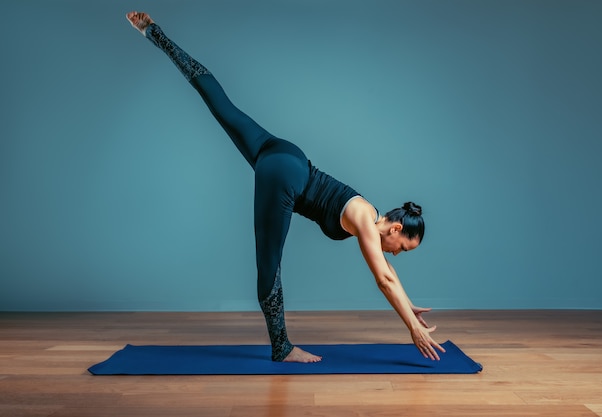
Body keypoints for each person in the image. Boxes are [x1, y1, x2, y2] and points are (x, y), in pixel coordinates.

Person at [125, 11, 445, 363]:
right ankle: (282, 348)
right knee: (268, 267)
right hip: (285, 177)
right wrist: (411, 328)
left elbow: (390, 273)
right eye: (402, 247)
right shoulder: (366, 222)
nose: (396, 253)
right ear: (396, 227)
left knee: (222, 106)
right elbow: (383, 278)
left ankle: (154, 33)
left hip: (285, 154)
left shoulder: (368, 213)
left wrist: (408, 303)